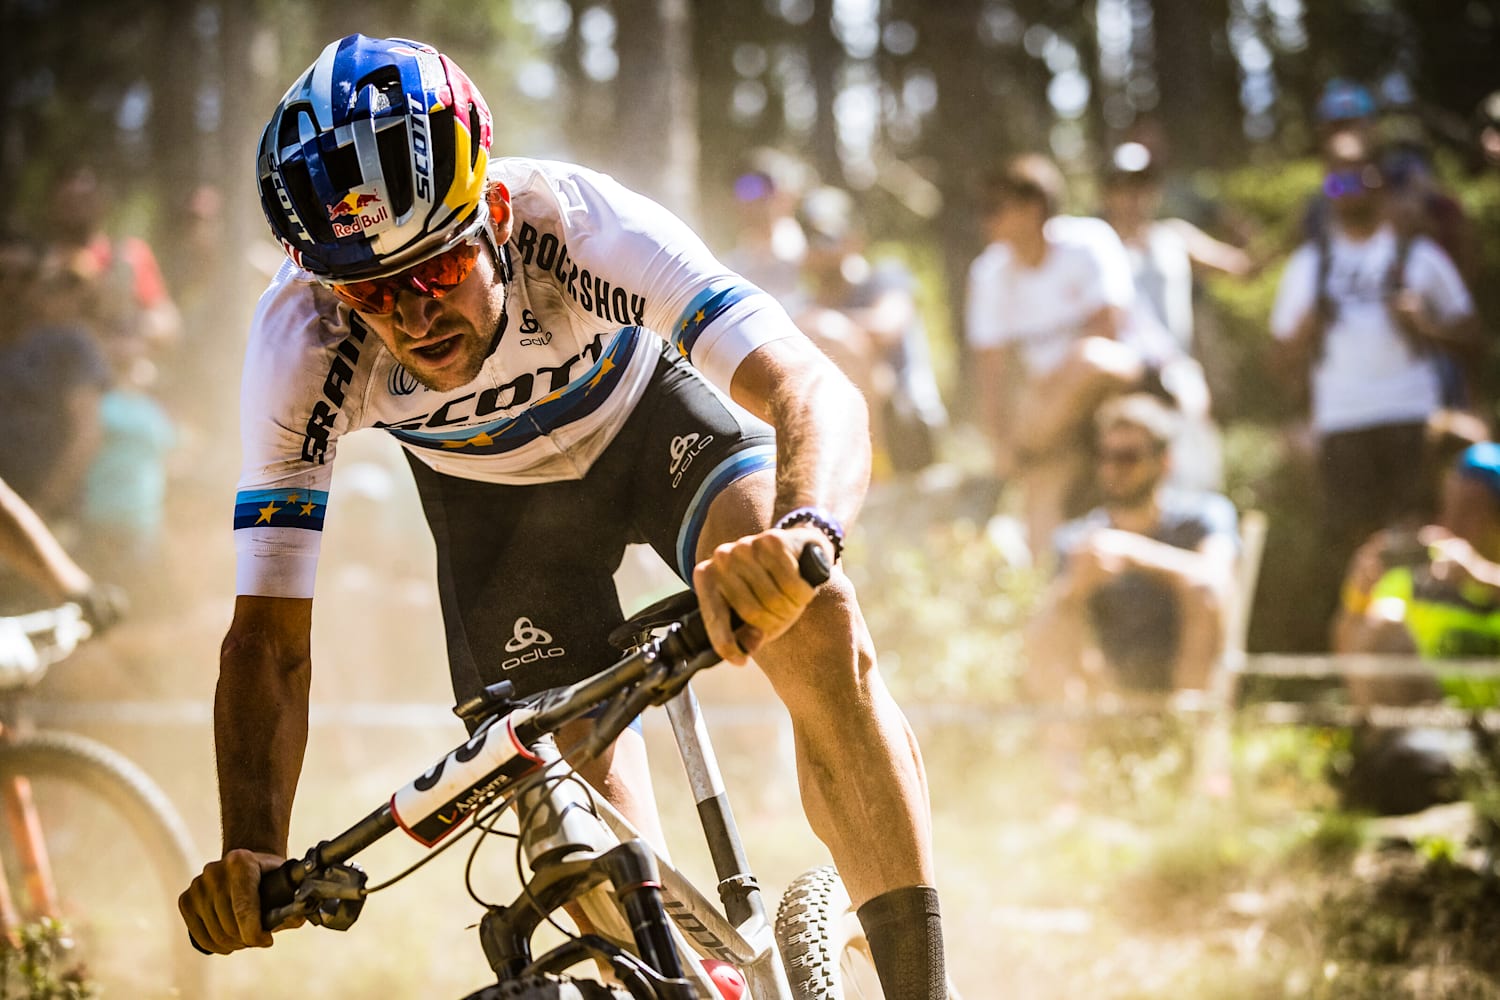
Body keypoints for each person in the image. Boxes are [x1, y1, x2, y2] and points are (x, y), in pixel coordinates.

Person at [176, 35, 948, 997]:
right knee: (569, 823)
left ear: (492, 211)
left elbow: (810, 388)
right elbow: (267, 637)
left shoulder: (581, 226)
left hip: (648, 429)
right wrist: (253, 844)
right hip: (492, 508)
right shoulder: (301, 339)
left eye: (434, 271)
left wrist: (804, 536)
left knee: (820, 624)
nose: (412, 316)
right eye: (373, 293)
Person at [1271, 127, 1480, 632]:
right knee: (1354, 542)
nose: (1347, 190)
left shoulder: (1417, 256)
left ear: (1379, 181)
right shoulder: (1309, 265)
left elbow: (1474, 337)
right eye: (1335, 182)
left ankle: (1426, 647)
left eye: (1357, 178)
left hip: (1413, 415)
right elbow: (1277, 361)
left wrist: (1424, 325)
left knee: (1421, 535)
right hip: (1342, 419)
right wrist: (1305, 331)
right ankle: (1362, 656)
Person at [965, 153, 1144, 556]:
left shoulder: (1089, 242)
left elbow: (1110, 331)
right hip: (1054, 415)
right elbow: (990, 371)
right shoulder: (989, 273)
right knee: (1044, 488)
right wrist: (1000, 438)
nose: (985, 220)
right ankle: (1042, 580)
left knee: (1090, 357)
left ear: (1034, 208)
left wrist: (1037, 408)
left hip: (1114, 384)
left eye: (996, 208)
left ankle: (1018, 461)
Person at [1024, 394, 1239, 704]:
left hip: (1183, 673)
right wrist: (1073, 589)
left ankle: (1187, 733)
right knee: (1058, 611)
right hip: (1102, 688)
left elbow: (1216, 578)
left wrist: (1133, 554)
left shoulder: (1204, 517)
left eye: (1127, 457)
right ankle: (1067, 744)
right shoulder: (1077, 539)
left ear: (1164, 462)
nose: (1113, 468)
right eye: (1105, 456)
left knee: (1204, 591)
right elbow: (1041, 632)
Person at [794, 186, 947, 476]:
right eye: (809, 239)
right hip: (836, 430)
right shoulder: (801, 305)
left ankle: (875, 470)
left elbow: (887, 325)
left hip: (907, 425)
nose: (818, 248)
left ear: (855, 239)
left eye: (827, 237)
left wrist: (821, 328)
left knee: (832, 336)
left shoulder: (886, 278)